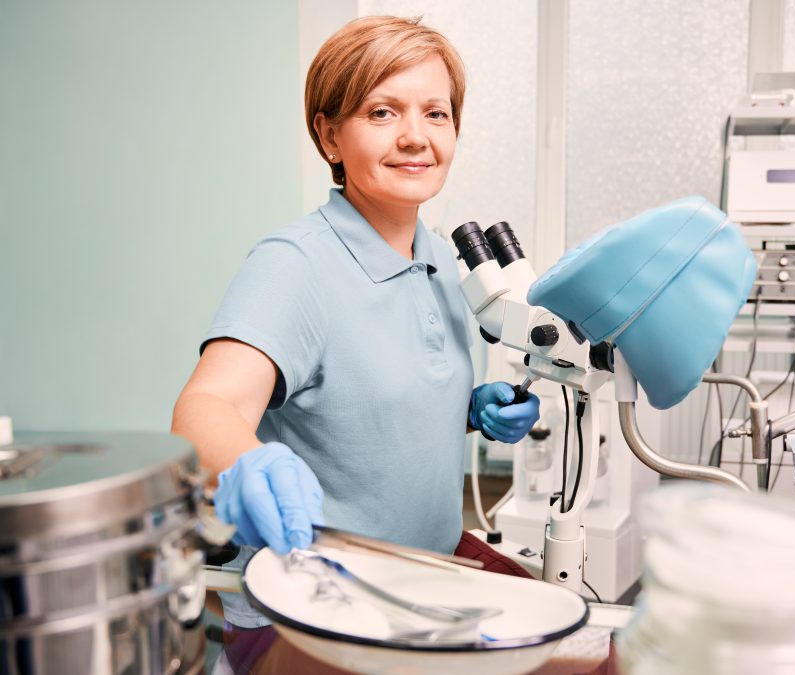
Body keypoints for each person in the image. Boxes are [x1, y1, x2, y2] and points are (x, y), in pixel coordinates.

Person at [172, 16, 540, 570]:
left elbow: (366, 411)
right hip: (325, 585)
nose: (416, 136)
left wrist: (469, 410)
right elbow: (205, 408)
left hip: (427, 565)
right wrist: (248, 465)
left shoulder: (441, 257)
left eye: (436, 113)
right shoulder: (295, 264)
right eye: (382, 112)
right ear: (329, 136)